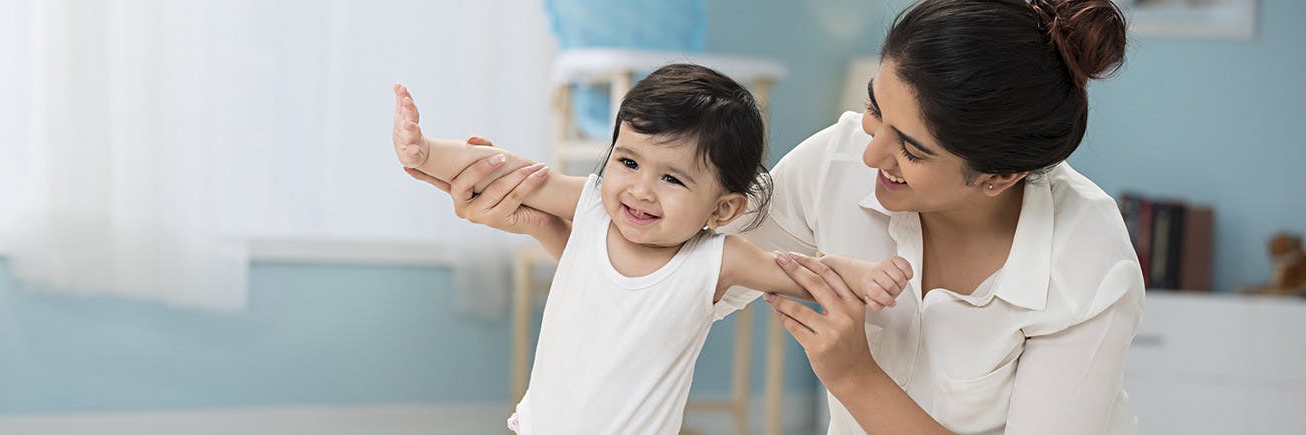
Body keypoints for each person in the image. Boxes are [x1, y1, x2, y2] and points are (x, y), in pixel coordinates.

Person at [407, 0, 1145, 433]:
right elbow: (688, 273)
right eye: (874, 109)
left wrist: (855, 375)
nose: (868, 152)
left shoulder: (1086, 260)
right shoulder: (833, 160)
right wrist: (550, 224)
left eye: (909, 149)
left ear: (1002, 175)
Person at [391, 64, 913, 434]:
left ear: (723, 210)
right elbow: (512, 173)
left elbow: (804, 273)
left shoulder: (718, 259)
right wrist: (429, 152)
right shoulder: (594, 207)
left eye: (672, 179)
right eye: (628, 162)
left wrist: (866, 276)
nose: (640, 189)